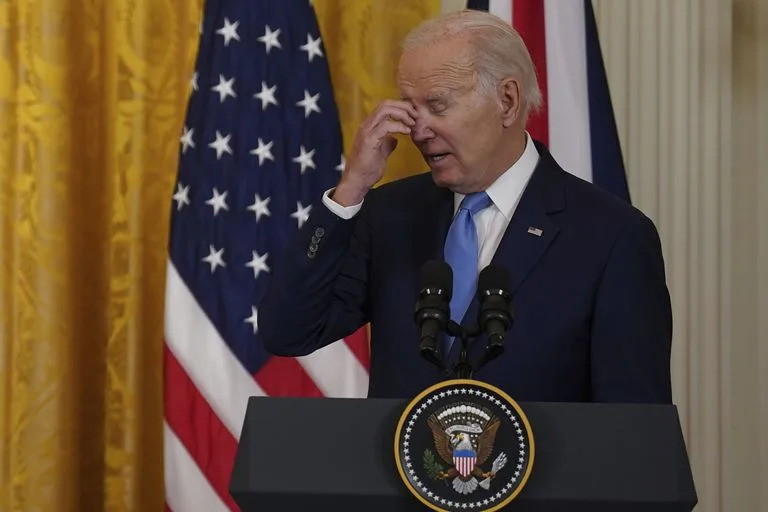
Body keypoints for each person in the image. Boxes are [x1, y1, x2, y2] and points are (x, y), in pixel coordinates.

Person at [260, 10, 672, 403]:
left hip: (541, 475)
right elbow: (288, 330)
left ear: (507, 101)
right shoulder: (389, 215)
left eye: (437, 106)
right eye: (410, 107)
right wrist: (349, 191)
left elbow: (632, 427)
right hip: (399, 474)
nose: (418, 130)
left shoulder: (611, 236)